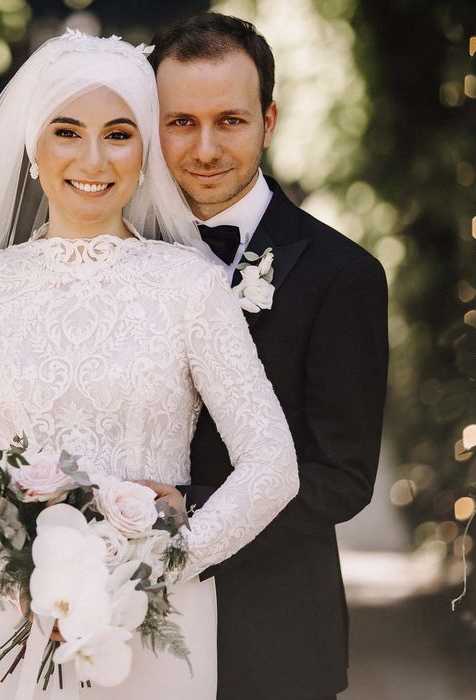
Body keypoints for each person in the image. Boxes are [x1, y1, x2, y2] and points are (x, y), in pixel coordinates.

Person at [0, 30, 299, 699]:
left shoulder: (191, 287)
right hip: (6, 627)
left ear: (144, 149)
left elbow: (272, 464)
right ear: (33, 148)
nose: (93, 158)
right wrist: (4, 570)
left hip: (153, 624)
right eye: (67, 132)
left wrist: (160, 564)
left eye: (119, 133)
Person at [144, 13, 389, 700]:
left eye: (230, 120)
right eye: (180, 121)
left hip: (273, 634)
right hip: (125, 633)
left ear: (268, 120)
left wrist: (189, 518)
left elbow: (342, 477)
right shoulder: (120, 256)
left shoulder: (343, 275)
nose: (205, 147)